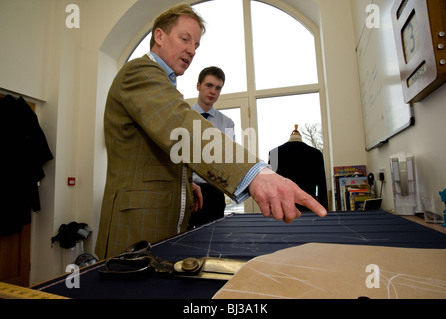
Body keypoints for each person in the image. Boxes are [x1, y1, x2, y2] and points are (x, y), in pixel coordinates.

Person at [95, 4, 327, 259]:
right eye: (185, 39)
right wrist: (255, 175)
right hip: (137, 226)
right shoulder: (140, 72)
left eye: (196, 44)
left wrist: (184, 183)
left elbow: (157, 151)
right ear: (159, 36)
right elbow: (183, 128)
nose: (192, 50)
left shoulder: (161, 82)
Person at [189, 67, 233, 228]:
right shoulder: (182, 116)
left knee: (213, 241)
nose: (213, 91)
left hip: (214, 192)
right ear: (198, 85)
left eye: (218, 87)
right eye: (209, 85)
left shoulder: (227, 123)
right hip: (188, 189)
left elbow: (227, 159)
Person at [269, 125, 329, 211]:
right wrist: (323, 209)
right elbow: (322, 186)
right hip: (308, 207)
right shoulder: (315, 154)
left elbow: (272, 185)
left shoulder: (274, 153)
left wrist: (271, 208)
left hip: (283, 208)